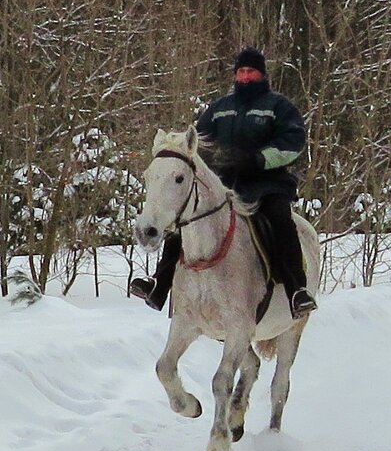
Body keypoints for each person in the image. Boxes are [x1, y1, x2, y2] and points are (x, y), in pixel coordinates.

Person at [131, 47, 318, 319]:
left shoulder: (279, 107)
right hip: (224, 185)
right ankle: (159, 284)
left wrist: (257, 160)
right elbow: (197, 143)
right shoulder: (219, 109)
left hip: (267, 184)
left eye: (250, 71)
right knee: (184, 222)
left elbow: (293, 143)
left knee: (279, 218)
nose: (244, 77)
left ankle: (296, 291)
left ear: (261, 74)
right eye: (241, 72)